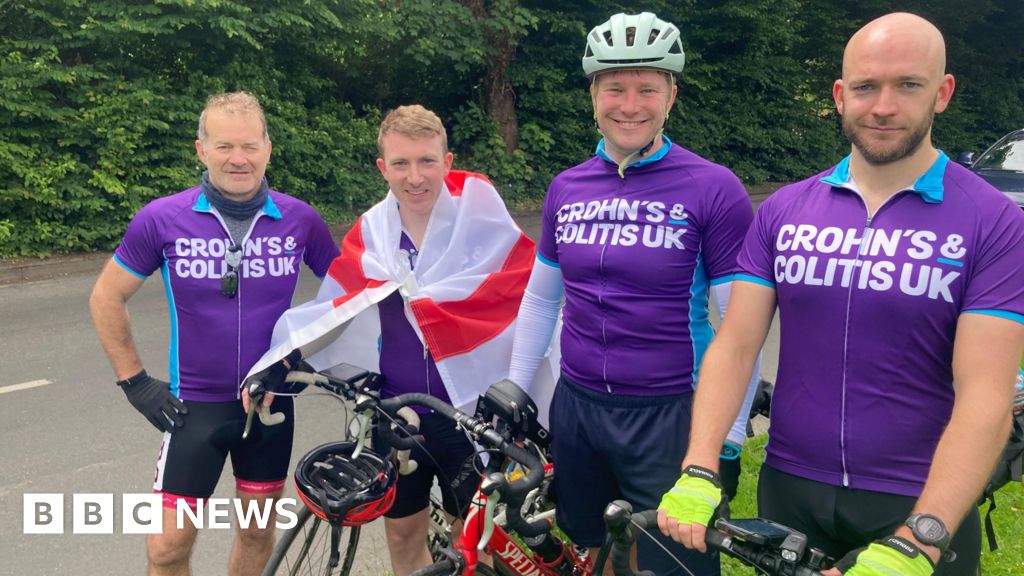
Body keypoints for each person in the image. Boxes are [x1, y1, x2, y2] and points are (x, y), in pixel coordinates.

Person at [658, 12, 1024, 576]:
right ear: (838, 94)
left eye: (907, 85)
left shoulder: (993, 220)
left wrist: (921, 537)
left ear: (942, 92)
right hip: (790, 488)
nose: (883, 106)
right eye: (865, 86)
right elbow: (734, 347)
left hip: (919, 499)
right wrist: (700, 466)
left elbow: (987, 394)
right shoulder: (784, 210)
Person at [507, 12, 761, 575]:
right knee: (592, 550)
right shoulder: (566, 187)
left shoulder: (712, 187)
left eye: (648, 88)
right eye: (615, 87)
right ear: (593, 93)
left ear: (672, 95)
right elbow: (542, 300)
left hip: (670, 412)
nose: (630, 104)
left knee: (673, 564)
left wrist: (730, 437)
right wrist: (515, 388)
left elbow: (742, 327)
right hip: (577, 408)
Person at [245, 104, 536, 576]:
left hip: (467, 414)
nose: (414, 176)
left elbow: (527, 299)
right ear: (383, 168)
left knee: (476, 545)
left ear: (448, 160)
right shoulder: (373, 232)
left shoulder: (482, 223)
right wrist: (276, 365)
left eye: (427, 161)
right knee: (403, 536)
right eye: (400, 163)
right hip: (395, 412)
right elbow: (333, 310)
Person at [89, 91, 339, 576]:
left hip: (270, 406)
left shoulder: (300, 219)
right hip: (193, 409)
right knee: (166, 547)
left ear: (269, 148)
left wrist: (305, 356)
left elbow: (349, 296)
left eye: (249, 146)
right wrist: (135, 382)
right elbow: (105, 297)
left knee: (256, 531)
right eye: (224, 146)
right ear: (201, 150)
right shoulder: (163, 218)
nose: (238, 159)